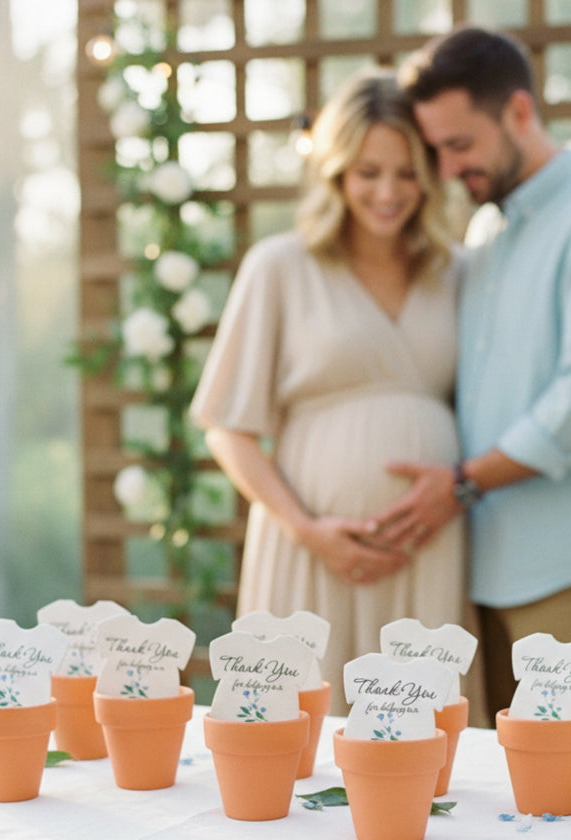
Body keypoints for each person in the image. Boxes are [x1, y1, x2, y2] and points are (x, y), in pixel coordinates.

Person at [371, 27, 571, 738]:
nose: (446, 169)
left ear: (520, 113)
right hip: (480, 570)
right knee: (495, 801)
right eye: (435, 150)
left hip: (568, 569)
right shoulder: (485, 237)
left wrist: (463, 483)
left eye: (460, 145)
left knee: (567, 796)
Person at [190, 69, 467, 706]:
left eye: (405, 173)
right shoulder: (280, 267)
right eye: (368, 172)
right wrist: (307, 529)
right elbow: (227, 428)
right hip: (308, 548)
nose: (388, 192)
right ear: (336, 172)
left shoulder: (454, 273)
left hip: (428, 546)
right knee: (300, 741)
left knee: (422, 741)